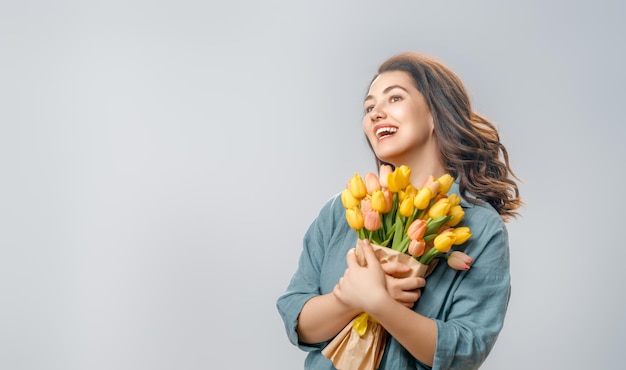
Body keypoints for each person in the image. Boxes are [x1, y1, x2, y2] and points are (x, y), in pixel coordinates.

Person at [276, 52, 522, 369]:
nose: (376, 113)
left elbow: (466, 349)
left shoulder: (479, 226)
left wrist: (379, 303)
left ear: (435, 113)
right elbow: (297, 318)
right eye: (369, 107)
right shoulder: (343, 209)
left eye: (394, 98)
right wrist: (347, 299)